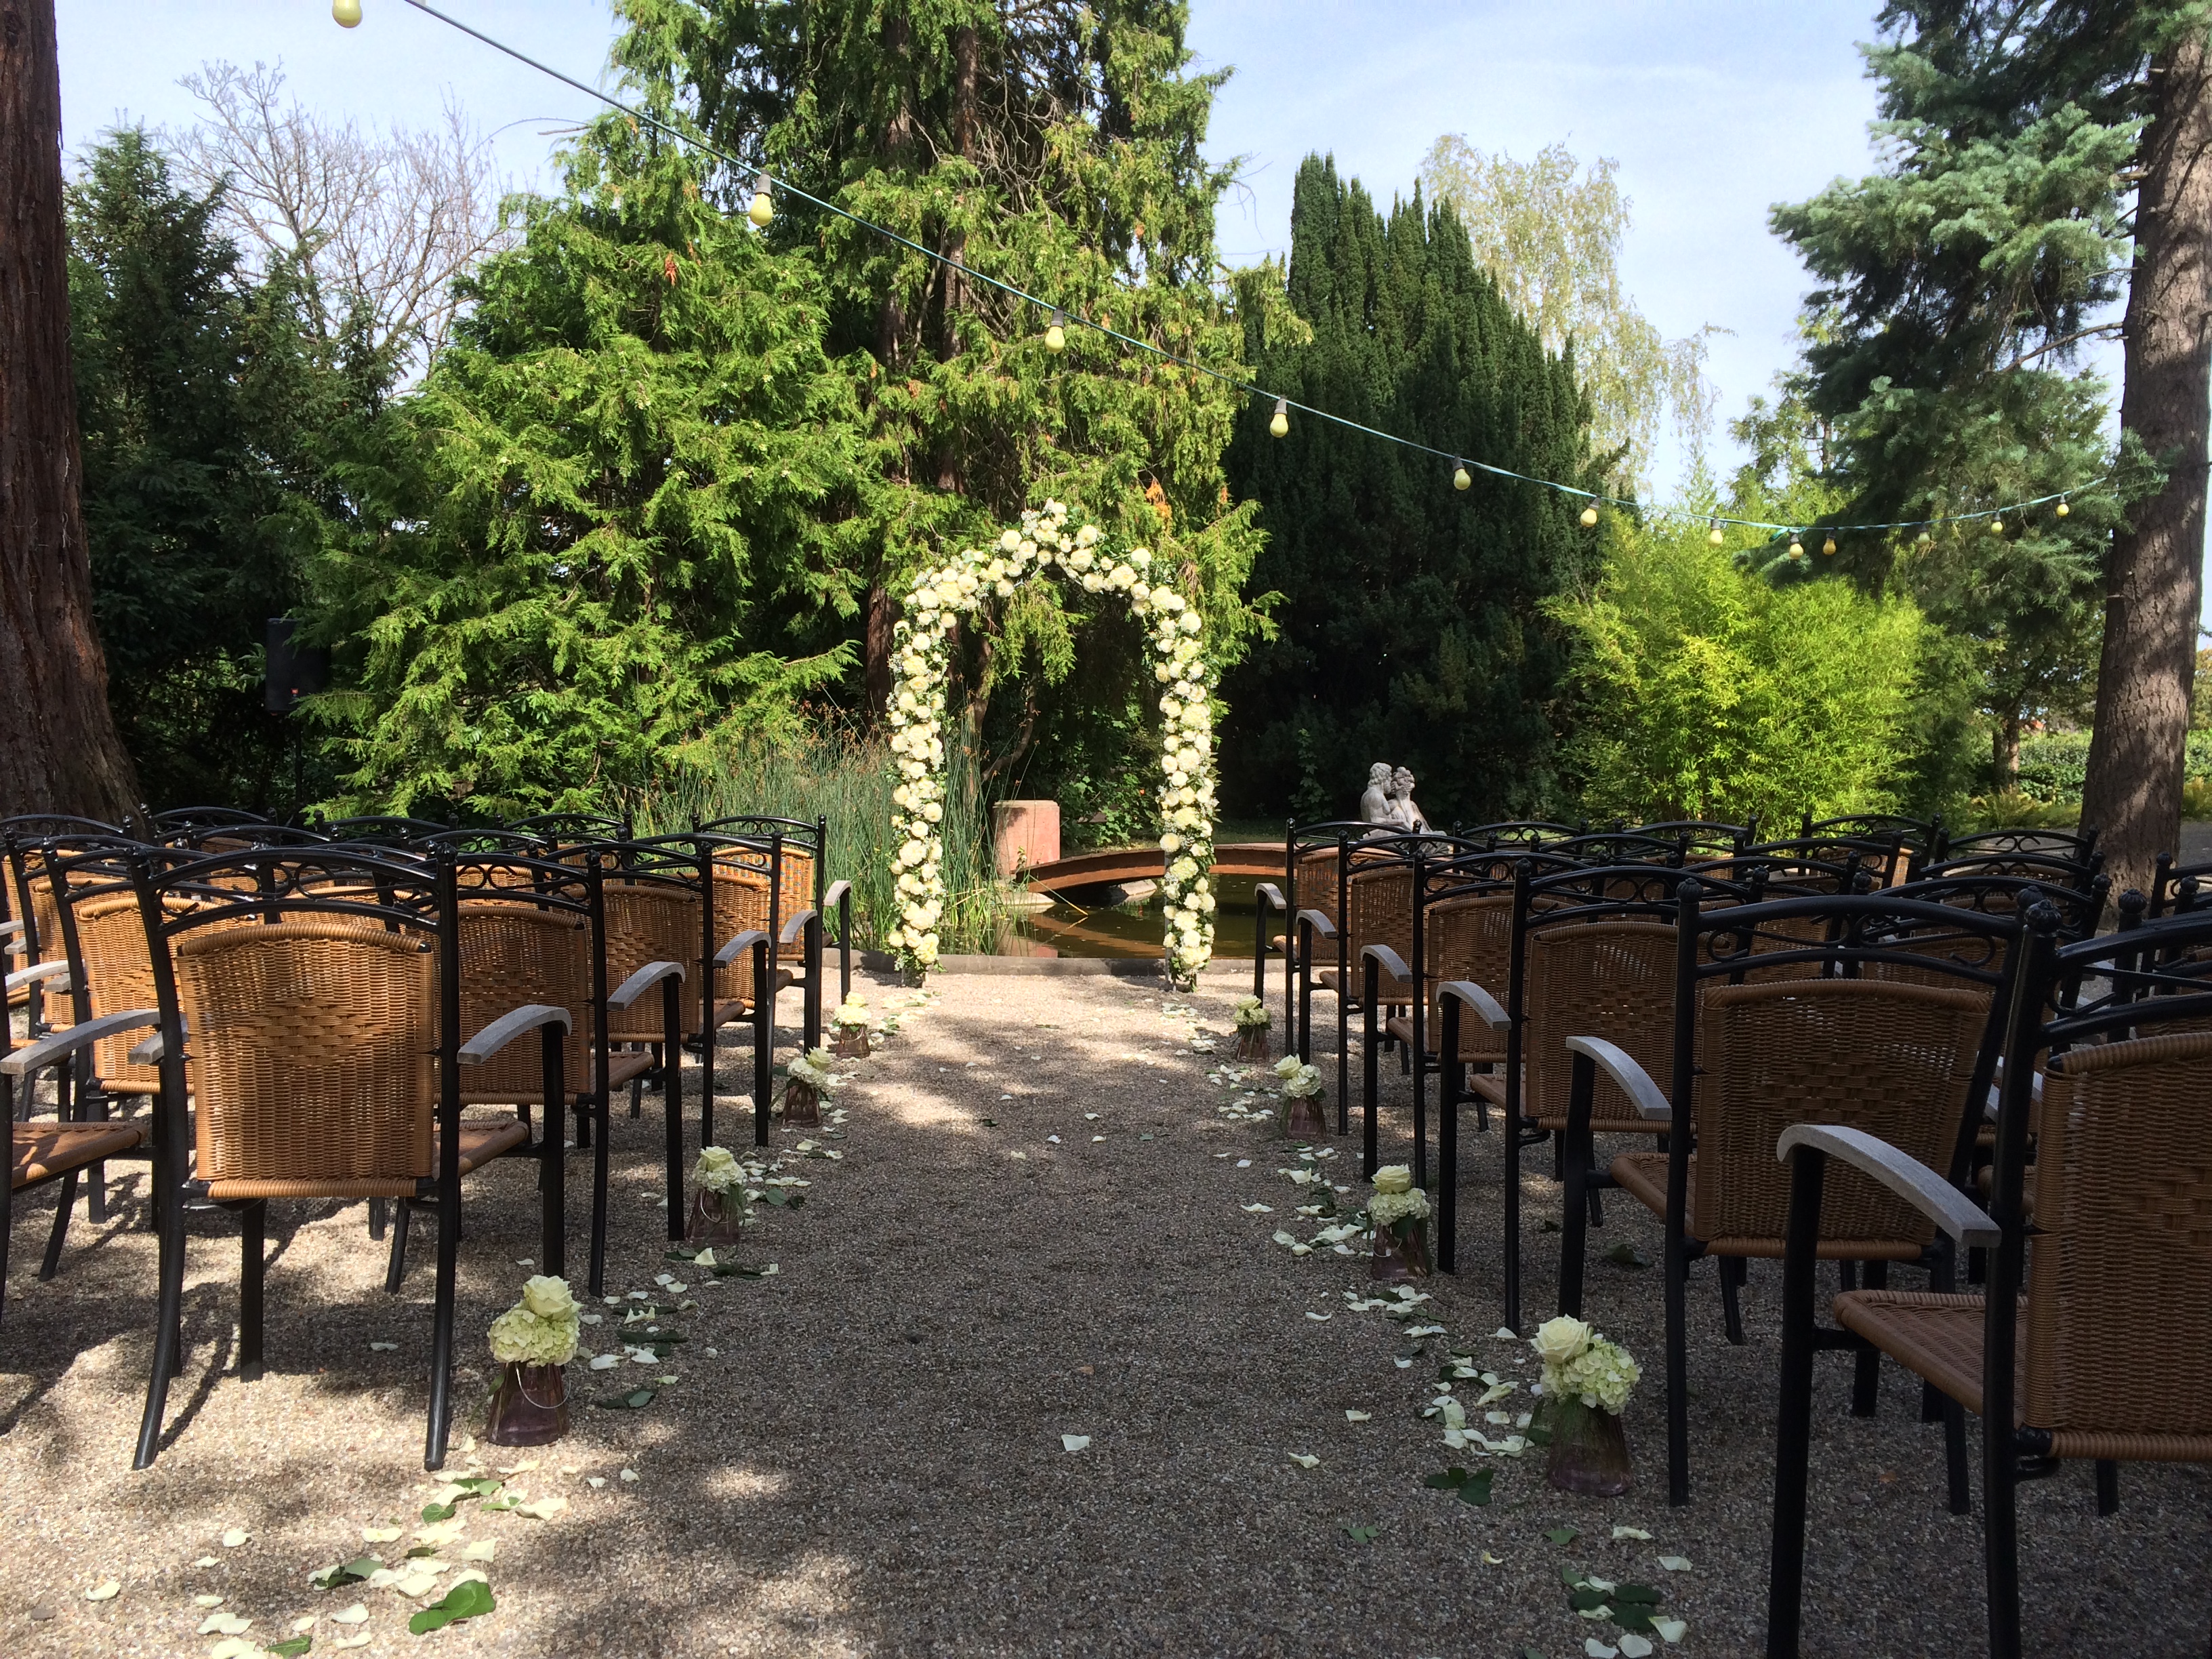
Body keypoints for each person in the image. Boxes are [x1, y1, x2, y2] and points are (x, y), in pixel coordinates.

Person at [1389, 766, 1430, 833]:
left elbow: (1424, 826)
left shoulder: (1412, 804)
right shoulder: (1394, 805)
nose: (1406, 794)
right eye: (1401, 791)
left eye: (1408, 792)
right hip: (1408, 837)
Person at [1358, 762, 1395, 826]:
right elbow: (1374, 821)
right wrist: (1400, 822)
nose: (1391, 779)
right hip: (1380, 831)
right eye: (1390, 776)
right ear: (1384, 777)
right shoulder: (1375, 795)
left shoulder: (1376, 794)